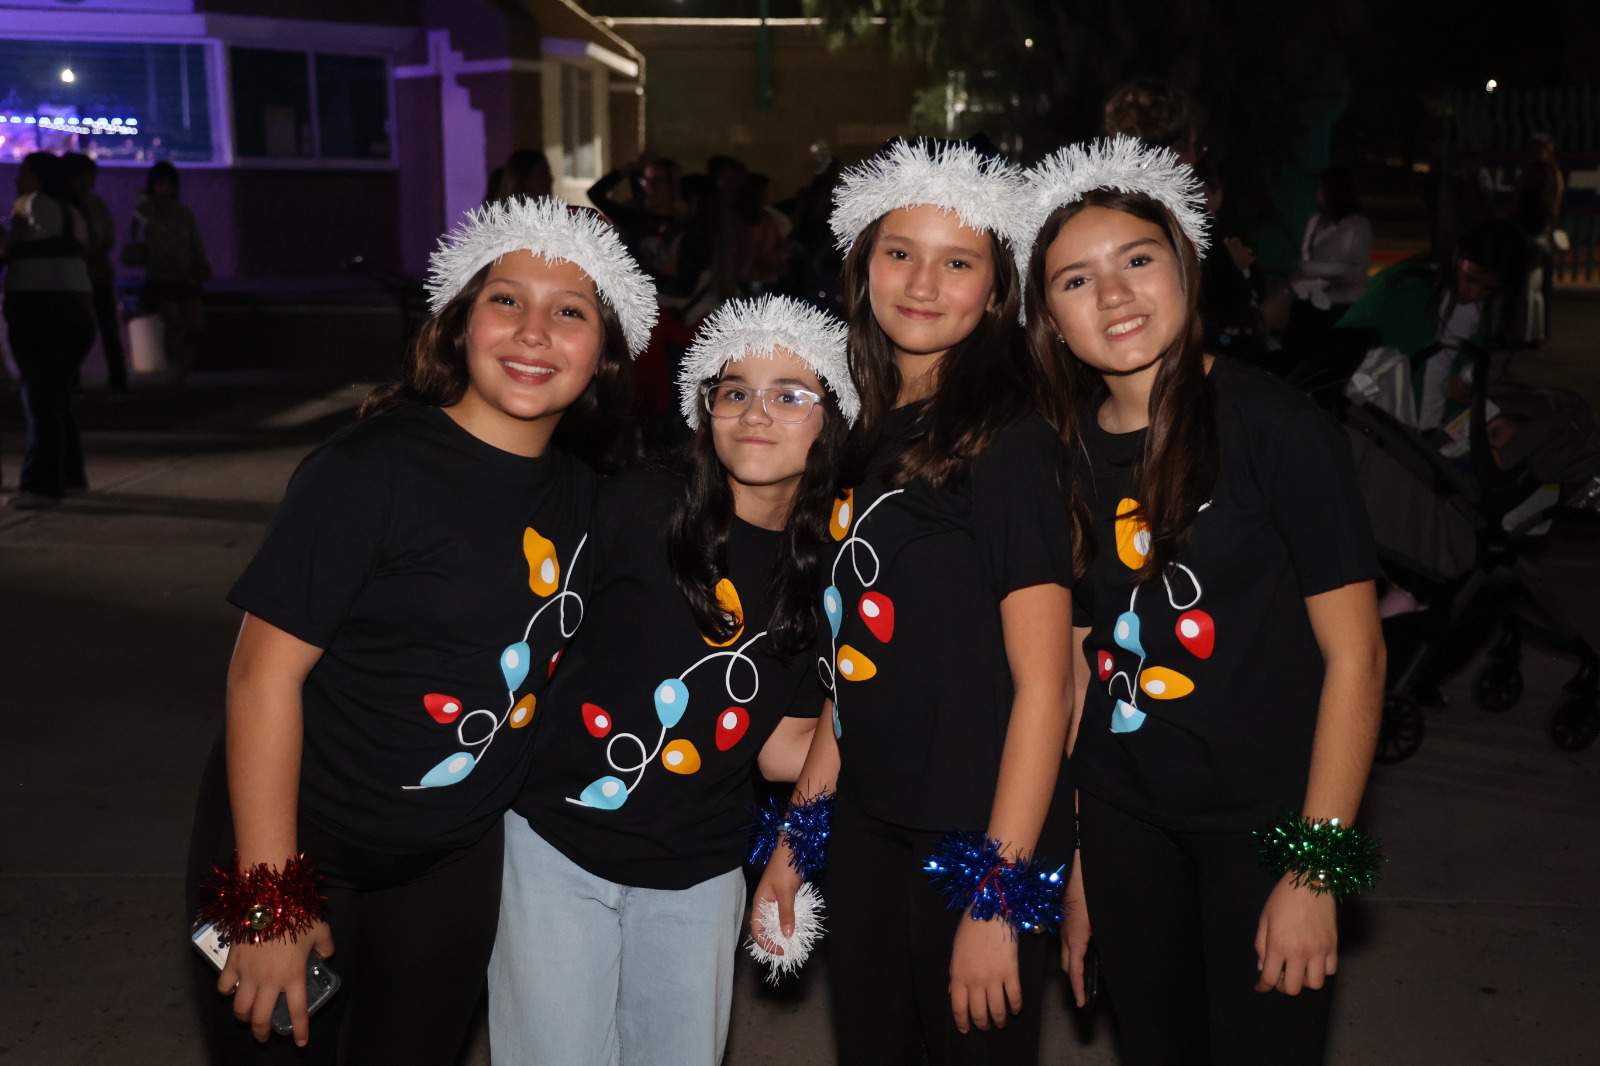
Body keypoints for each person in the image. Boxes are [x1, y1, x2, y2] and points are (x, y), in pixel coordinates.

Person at [183, 197, 657, 1064]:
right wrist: (270, 901)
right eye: (506, 299)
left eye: (571, 312)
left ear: (606, 355)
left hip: (447, 869)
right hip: (293, 845)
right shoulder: (369, 470)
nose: (533, 332)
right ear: (460, 322)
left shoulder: (596, 498)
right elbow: (260, 679)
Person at [1020, 136, 1386, 1066]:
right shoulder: (1055, 454)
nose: (1113, 295)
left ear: (1184, 268)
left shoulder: (1278, 427)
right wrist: (1078, 866)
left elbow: (1358, 656)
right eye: (1075, 280)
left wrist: (1316, 867)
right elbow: (1076, 670)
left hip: (1264, 826)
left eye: (1136, 260)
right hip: (1124, 824)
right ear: (1049, 319)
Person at [751, 139, 1076, 1065]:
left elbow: (1046, 689)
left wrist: (996, 898)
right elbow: (853, 674)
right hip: (865, 832)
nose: (924, 282)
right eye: (901, 252)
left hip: (973, 840)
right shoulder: (859, 430)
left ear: (996, 287)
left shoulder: (1009, 443)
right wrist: (799, 839)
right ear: (862, 265)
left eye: (958, 261)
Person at [491, 294, 855, 1065]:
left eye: (790, 395)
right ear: (706, 411)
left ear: (834, 419)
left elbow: (782, 749)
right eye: (733, 392)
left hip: (697, 870)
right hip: (555, 844)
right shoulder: (638, 503)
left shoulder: (830, 572)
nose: (756, 412)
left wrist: (898, 704)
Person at [0, 151, 95, 509]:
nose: (16, 180)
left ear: (38, 179)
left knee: (40, 395)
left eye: (22, 174)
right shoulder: (75, 211)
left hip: (39, 308)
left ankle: (41, 484)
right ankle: (70, 475)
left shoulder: (32, 203)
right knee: (57, 395)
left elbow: (12, 247)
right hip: (78, 309)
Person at [124, 161, 211, 376]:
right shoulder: (146, 211)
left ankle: (181, 365)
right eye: (159, 183)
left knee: (192, 321)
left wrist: (200, 263)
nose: (163, 188)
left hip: (183, 274)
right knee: (174, 321)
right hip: (161, 275)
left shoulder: (182, 213)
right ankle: (177, 366)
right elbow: (139, 232)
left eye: (167, 184)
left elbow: (194, 241)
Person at [62, 152, 127, 392]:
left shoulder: (91, 204)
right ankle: (85, 379)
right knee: (86, 328)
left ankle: (114, 379)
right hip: (84, 273)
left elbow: (107, 236)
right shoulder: (74, 205)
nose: (91, 181)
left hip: (92, 272)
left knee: (102, 327)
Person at [1293, 167, 1373, 322]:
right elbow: (1305, 258)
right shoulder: (1315, 221)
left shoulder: (1357, 226)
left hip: (1345, 303)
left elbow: (1356, 270)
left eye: (1321, 188)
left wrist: (1325, 275)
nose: (1317, 193)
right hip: (1314, 297)